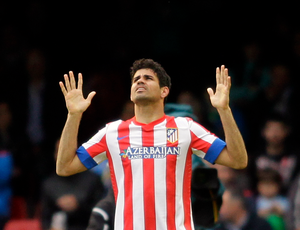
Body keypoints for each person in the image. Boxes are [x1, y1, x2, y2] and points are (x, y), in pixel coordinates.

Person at [56, 59, 248, 229]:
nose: (140, 81)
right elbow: (65, 167)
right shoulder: (112, 132)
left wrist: (224, 110)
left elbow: (238, 160)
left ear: (164, 91)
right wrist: (74, 115)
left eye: (148, 78)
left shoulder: (185, 128)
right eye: (136, 79)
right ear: (131, 94)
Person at [41, 139, 105, 230]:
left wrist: (79, 205)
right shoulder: (49, 184)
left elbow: (102, 212)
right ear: (54, 155)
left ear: (77, 154)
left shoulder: (92, 179)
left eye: (66, 152)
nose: (62, 156)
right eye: (58, 152)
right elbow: (45, 218)